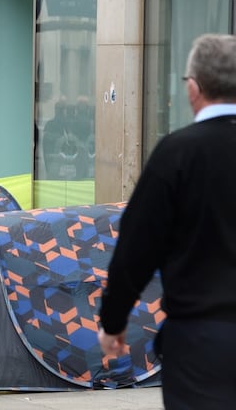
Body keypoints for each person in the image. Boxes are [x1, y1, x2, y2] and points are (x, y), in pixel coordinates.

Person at [98, 33, 236, 409]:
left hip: (201, 343)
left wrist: (113, 321)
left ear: (194, 87)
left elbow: (136, 247)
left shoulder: (177, 154)